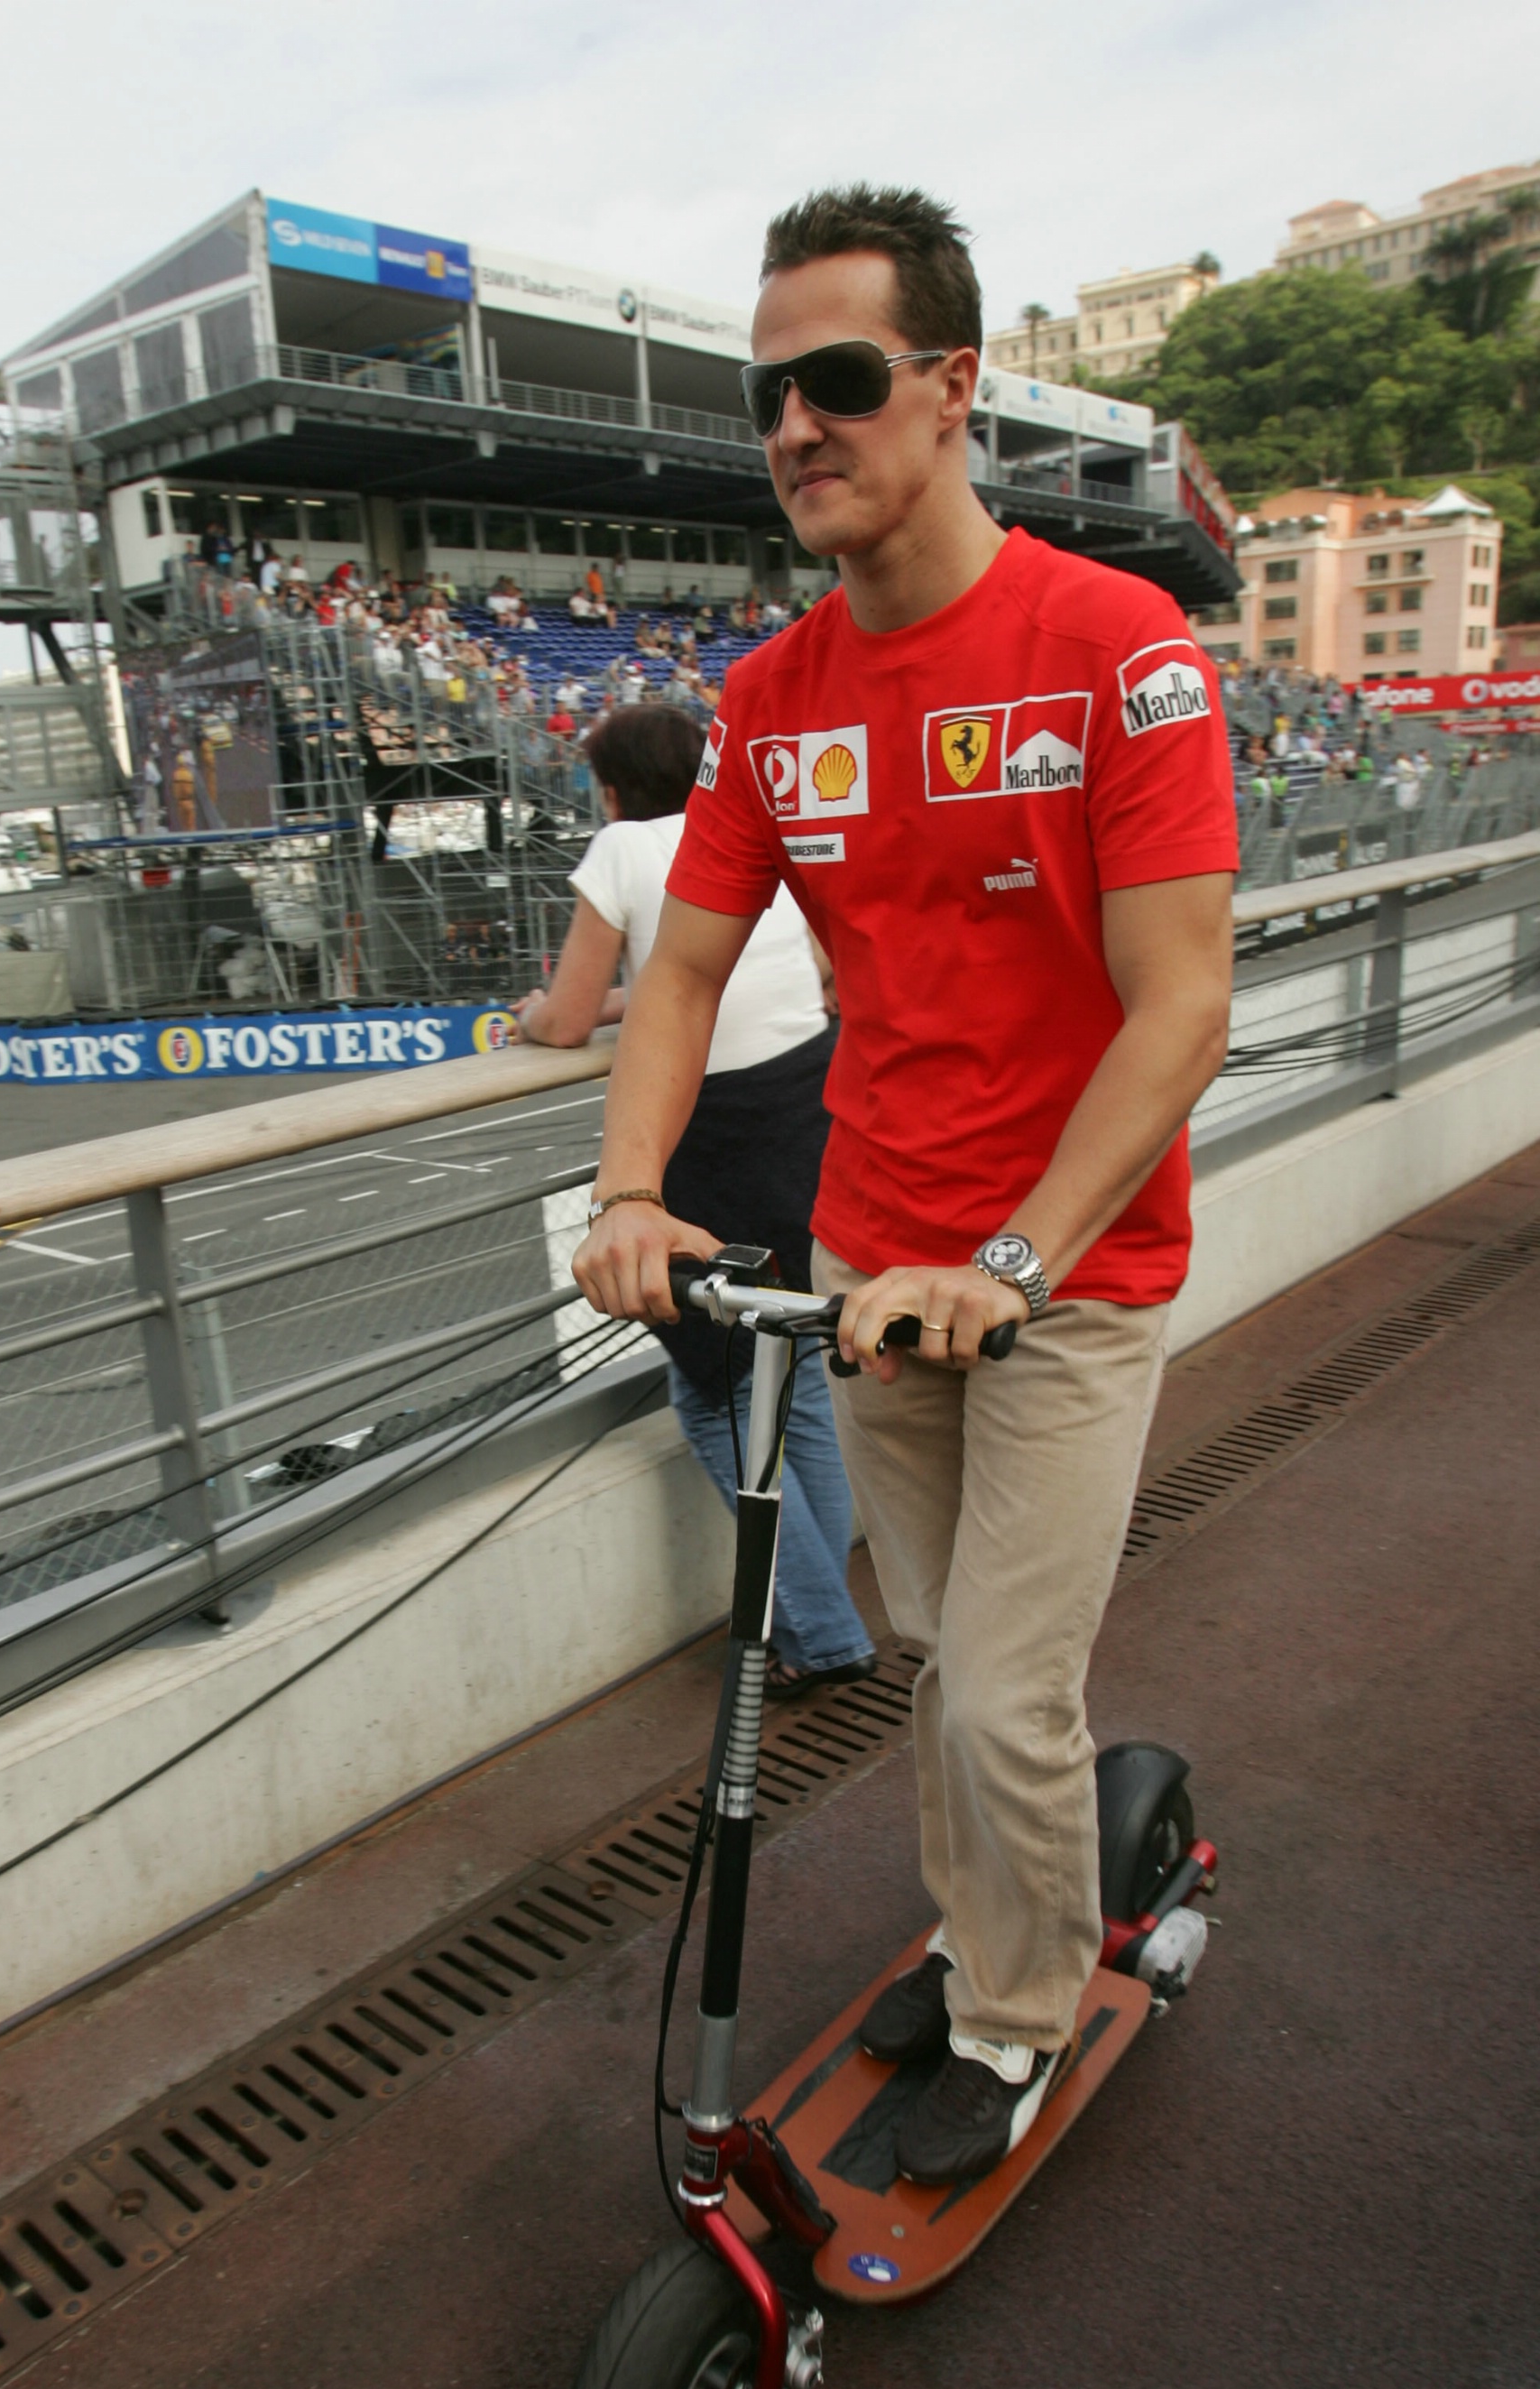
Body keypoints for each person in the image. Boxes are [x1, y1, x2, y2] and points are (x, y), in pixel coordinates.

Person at [571, 183, 1236, 2186]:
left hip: (1066, 1275)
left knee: (1008, 1693)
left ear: (951, 391)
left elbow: (1179, 1003)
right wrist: (622, 1192)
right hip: (873, 1267)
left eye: (837, 382)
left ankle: (1020, 2015)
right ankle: (980, 1937)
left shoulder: (1114, 650)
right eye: (767, 394)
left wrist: (1017, 1258)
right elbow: (679, 971)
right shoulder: (769, 702)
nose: (794, 429)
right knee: (950, 1671)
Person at [520, 703, 875, 1696]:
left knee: (712, 1390)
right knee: (793, 1377)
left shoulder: (622, 848)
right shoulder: (749, 822)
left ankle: (820, 1630)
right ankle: (825, 1598)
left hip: (708, 1135)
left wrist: (529, 1015)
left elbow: (569, 1016)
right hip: (803, 1110)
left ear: (612, 785)